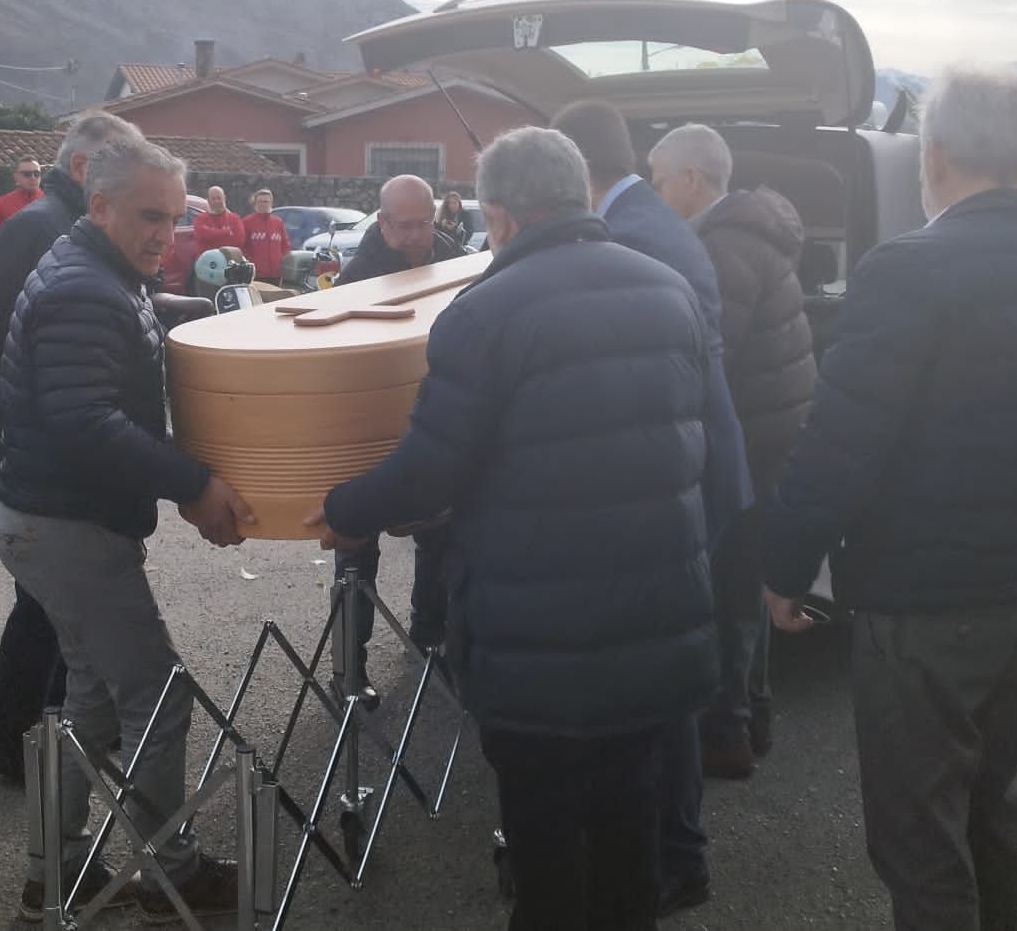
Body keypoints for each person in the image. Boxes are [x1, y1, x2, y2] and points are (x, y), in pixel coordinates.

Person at [308, 127, 720, 931]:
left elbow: (431, 468)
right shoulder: (667, 287)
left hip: (541, 639)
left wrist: (345, 508)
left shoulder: (484, 312)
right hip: (656, 617)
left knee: (546, 848)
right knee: (628, 833)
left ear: (496, 213)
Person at [762, 65, 1017, 931]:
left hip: (926, 602)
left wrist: (783, 567)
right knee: (994, 806)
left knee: (920, 840)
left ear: (937, 154)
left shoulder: (908, 268)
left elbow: (840, 442)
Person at [0, 134, 253, 922]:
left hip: (45, 519)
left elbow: (126, 323)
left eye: (174, 220)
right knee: (157, 693)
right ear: (98, 202)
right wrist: (195, 483)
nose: (163, 237)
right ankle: (172, 876)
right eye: (149, 217)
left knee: (95, 703)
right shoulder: (86, 288)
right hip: (68, 528)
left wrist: (197, 309)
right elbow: (85, 421)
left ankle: (57, 872)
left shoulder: (96, 265)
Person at [553, 99, 752, 916]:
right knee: (665, 681)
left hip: (675, 484)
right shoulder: (643, 218)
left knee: (661, 692)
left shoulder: (631, 233)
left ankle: (675, 856)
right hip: (694, 471)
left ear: (575, 167)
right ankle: (676, 849)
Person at [0, 110, 140, 785]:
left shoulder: (76, 227)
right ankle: (13, 742)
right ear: (84, 170)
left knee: (62, 600)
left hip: (53, 441)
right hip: (37, 443)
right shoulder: (37, 228)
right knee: (45, 601)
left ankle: (58, 728)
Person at [648, 123, 815, 779]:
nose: (657, 195)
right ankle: (753, 716)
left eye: (660, 181)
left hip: (747, 440)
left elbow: (710, 355)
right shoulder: (748, 234)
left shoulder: (720, 249)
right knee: (747, 586)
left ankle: (727, 733)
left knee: (727, 591)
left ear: (692, 180)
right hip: (772, 435)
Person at [329, 173, 468, 706]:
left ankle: (430, 637)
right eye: (404, 225)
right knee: (356, 551)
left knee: (440, 535)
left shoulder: (452, 254)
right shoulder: (357, 277)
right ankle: (349, 670)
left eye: (423, 223)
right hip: (366, 427)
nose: (416, 236)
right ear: (382, 221)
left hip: (431, 418)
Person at [240, 188, 290, 282]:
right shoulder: (247, 222)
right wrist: (251, 262)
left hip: (276, 274)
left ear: (271, 203)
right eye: (260, 202)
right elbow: (242, 246)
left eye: (266, 201)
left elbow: (285, 245)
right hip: (256, 275)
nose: (263, 204)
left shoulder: (278, 222)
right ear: (255, 203)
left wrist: (280, 262)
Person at [192, 185, 246, 254]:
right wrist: (226, 232)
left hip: (229, 260)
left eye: (219, 198)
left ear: (224, 198)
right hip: (208, 261)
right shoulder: (200, 218)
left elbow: (239, 241)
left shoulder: (235, 219)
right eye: (213, 199)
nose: (216, 201)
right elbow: (201, 235)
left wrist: (211, 234)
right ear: (208, 200)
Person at [0, 158, 45, 223]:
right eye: (27, 174)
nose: (33, 178)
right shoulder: (1, 205)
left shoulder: (51, 203)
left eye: (37, 173)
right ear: (16, 177)